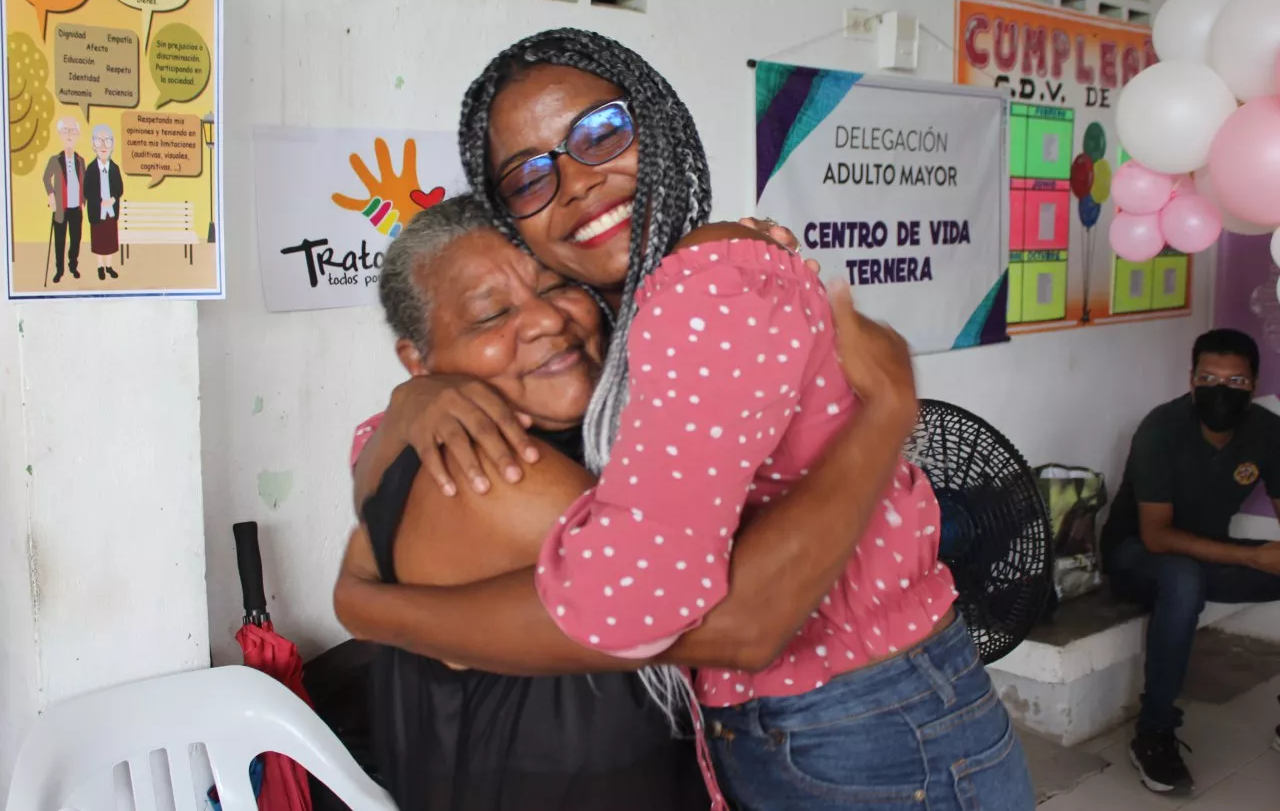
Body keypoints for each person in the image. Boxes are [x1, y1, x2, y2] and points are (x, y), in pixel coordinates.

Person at [339, 28, 1033, 810]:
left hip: (862, 726)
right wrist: (410, 407)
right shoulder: (640, 313)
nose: (573, 184)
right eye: (530, 178)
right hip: (816, 727)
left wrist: (378, 611)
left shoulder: (702, 287)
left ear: (656, 119)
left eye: (600, 133)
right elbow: (403, 450)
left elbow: (707, 618)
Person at [346, 193, 919, 810]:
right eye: (490, 316)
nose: (545, 320)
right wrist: (887, 412)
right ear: (417, 360)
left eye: (559, 286)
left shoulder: (551, 436)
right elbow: (743, 625)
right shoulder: (492, 474)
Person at [1102, 328, 1280, 794]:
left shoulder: (1266, 431)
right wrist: (1254, 556)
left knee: (1192, 575)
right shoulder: (1161, 430)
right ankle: (1154, 732)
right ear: (1192, 379)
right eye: (1209, 377)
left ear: (1254, 384)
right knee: (1182, 579)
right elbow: (1156, 537)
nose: (1221, 390)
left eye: (1236, 381)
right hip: (1136, 557)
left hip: (1209, 555)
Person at [42, 117, 85, 283]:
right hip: (60, 209)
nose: (69, 134)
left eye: (72, 130)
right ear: (60, 134)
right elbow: (46, 178)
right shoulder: (55, 160)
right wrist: (51, 194)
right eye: (65, 130)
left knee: (76, 240)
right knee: (59, 241)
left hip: (76, 209)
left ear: (78, 135)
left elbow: (85, 181)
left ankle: (73, 265)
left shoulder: (80, 160)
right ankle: (59, 270)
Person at [84, 124, 123, 281]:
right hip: (97, 211)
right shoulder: (91, 169)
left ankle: (109, 266)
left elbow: (119, 188)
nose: (103, 146)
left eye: (107, 141)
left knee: (110, 241)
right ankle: (100, 267)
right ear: (94, 145)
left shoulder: (114, 168)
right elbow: (87, 191)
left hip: (111, 211)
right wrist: (99, 202)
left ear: (112, 145)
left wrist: (112, 199)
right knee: (99, 241)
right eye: (99, 142)